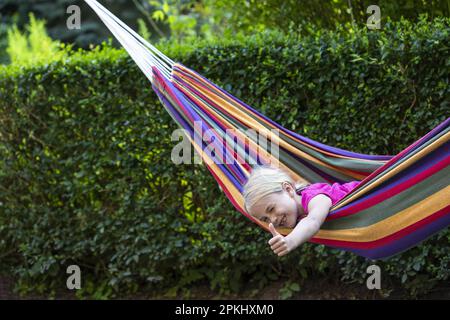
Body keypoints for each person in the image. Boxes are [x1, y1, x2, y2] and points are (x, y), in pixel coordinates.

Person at [242, 165, 360, 257]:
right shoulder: (296, 216)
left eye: (271, 209)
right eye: (265, 219)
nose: (273, 219)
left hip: (372, 198)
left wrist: (290, 241)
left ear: (288, 190)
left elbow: (313, 220)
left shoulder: (313, 195)